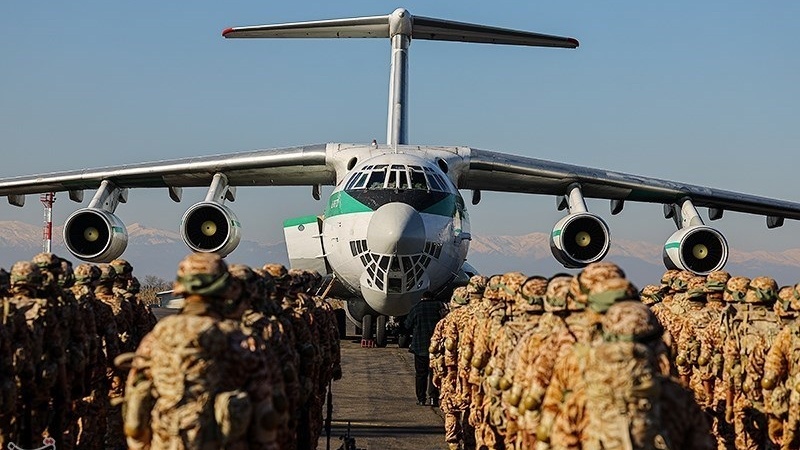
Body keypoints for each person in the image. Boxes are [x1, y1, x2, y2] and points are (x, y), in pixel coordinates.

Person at [405, 291, 444, 406]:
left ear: (422, 298)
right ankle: (433, 398)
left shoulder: (417, 308)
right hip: (436, 347)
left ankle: (421, 399)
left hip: (420, 347)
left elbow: (407, 325)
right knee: (434, 373)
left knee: (421, 374)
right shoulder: (438, 306)